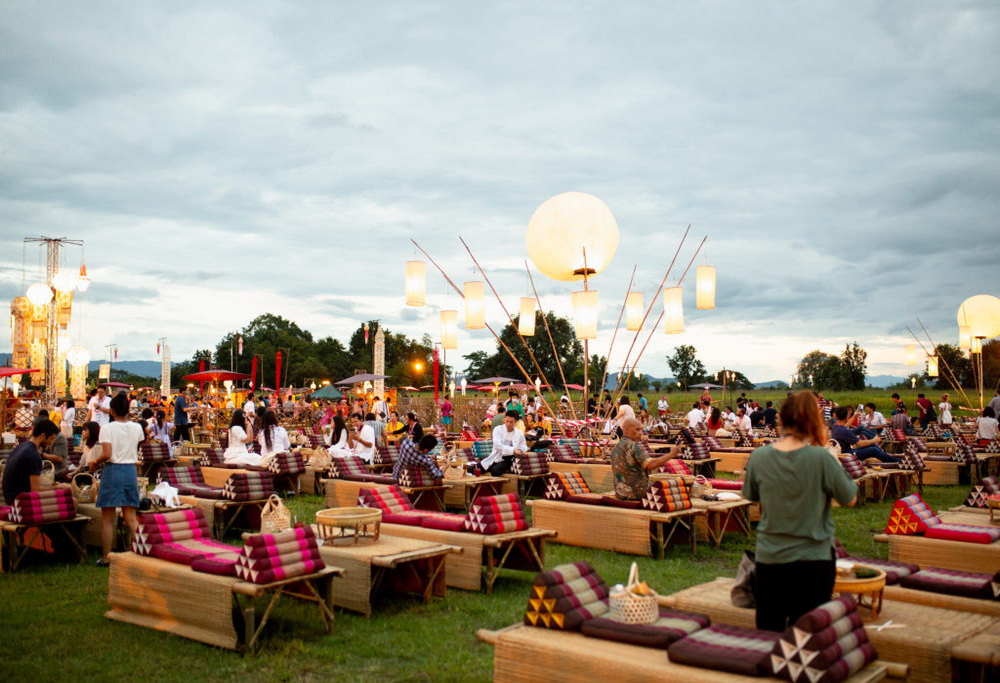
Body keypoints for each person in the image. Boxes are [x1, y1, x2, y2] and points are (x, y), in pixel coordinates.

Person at [741, 391, 858, 632]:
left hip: (771, 559)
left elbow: (751, 495)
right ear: (814, 422)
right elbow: (850, 498)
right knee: (808, 637)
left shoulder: (760, 457)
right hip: (813, 561)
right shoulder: (822, 458)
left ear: (781, 419)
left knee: (769, 633)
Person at [91, 393, 143, 567]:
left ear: (112, 411)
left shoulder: (107, 428)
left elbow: (107, 454)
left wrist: (95, 462)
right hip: (130, 471)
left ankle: (107, 557)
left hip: (113, 471)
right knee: (131, 517)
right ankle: (141, 554)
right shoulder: (137, 428)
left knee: (107, 519)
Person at [609, 418, 678, 500]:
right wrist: (671, 454)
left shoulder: (615, 448)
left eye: (641, 430)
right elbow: (650, 465)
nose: (640, 433)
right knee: (674, 488)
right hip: (638, 493)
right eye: (637, 430)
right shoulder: (635, 446)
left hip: (620, 493)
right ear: (626, 430)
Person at [2, 419, 59, 503]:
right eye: (51, 438)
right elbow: (35, 490)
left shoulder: (21, 447)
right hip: (20, 501)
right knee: (73, 501)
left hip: (10, 497)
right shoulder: (34, 456)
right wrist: (57, 488)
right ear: (43, 435)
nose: (50, 442)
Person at [830, 406, 898, 463]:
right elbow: (860, 444)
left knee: (872, 446)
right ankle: (894, 461)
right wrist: (874, 440)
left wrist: (854, 416)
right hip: (849, 455)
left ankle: (885, 456)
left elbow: (845, 426)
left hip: (844, 452)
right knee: (873, 450)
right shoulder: (845, 431)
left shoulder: (835, 427)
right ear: (847, 417)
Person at [481, 410, 528, 475]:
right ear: (504, 420)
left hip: (509, 459)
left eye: (511, 422)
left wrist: (520, 450)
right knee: (476, 468)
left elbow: (523, 446)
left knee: (495, 471)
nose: (508, 424)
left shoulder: (519, 433)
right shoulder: (498, 429)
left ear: (516, 422)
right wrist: (513, 450)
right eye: (507, 421)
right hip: (495, 456)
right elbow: (497, 445)